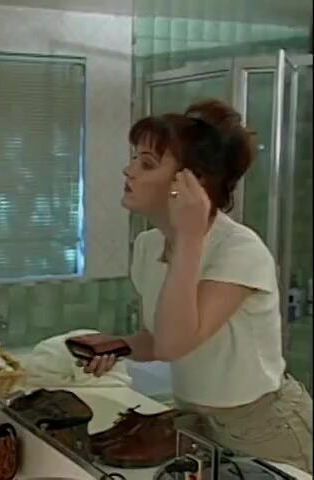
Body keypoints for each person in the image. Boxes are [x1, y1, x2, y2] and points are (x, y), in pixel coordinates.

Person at [86, 100, 312, 472]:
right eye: (134, 158)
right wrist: (118, 344)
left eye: (147, 163)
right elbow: (161, 338)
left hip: (267, 430)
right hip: (197, 423)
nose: (128, 170)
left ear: (192, 182)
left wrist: (189, 236)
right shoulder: (148, 246)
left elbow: (174, 344)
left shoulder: (238, 250)